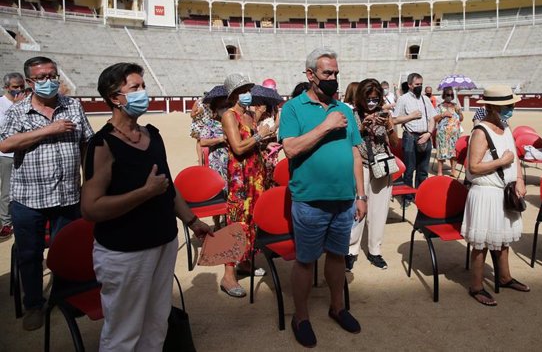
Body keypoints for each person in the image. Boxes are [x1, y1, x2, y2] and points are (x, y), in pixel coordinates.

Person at [81, 62, 212, 350]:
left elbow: (168, 187)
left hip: (163, 242)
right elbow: (90, 208)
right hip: (124, 252)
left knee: (156, 323)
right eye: (135, 88)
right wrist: (145, 192)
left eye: (144, 86)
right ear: (115, 97)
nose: (144, 93)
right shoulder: (102, 145)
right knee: (123, 333)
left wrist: (192, 221)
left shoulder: (152, 134)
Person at [279, 48, 366, 348]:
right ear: (310, 75)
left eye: (336, 74)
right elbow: (290, 149)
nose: (333, 78)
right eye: (327, 73)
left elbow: (356, 153)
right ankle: (300, 317)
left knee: (338, 256)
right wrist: (326, 126)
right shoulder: (292, 108)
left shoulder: (346, 109)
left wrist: (362, 195)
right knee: (305, 261)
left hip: (344, 200)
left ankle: (337, 307)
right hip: (309, 201)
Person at [0, 56, 95, 331]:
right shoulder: (18, 111)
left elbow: (87, 142)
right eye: (41, 77)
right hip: (29, 199)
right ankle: (33, 304)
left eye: (52, 75)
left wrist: (88, 181)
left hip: (67, 196)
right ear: (30, 82)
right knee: (29, 255)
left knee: (66, 250)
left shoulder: (73, 106)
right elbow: (6, 144)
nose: (48, 81)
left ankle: (63, 297)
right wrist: (49, 129)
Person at [461, 85, 529, 307]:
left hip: (504, 191)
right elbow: (473, 167)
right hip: (485, 194)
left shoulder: (505, 127)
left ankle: (505, 277)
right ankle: (477, 286)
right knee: (480, 245)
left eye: (510, 105)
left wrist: (519, 179)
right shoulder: (481, 131)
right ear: (491, 107)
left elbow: (515, 158)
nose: (510, 109)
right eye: (506, 106)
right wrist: (502, 162)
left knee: (503, 239)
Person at [220, 74, 275, 298]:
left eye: (249, 89)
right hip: (240, 176)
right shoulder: (229, 116)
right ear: (234, 94)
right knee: (237, 221)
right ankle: (228, 274)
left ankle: (244, 262)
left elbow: (254, 144)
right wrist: (260, 135)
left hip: (256, 174)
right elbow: (238, 147)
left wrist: (266, 138)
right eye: (243, 90)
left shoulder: (250, 116)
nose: (248, 94)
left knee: (253, 220)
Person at [347, 78, 398, 271]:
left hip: (382, 166)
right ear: (361, 97)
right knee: (357, 208)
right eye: (368, 99)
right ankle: (351, 250)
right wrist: (363, 126)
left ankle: (375, 251)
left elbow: (394, 143)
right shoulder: (352, 114)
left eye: (375, 99)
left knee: (379, 210)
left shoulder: (386, 114)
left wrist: (389, 126)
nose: (371, 103)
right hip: (359, 165)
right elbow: (348, 141)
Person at [393, 73, 435, 201]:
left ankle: (421, 195)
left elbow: (432, 118)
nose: (420, 87)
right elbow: (394, 120)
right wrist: (410, 117)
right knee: (409, 170)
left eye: (421, 84)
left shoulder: (425, 99)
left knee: (423, 171)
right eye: (417, 84)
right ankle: (408, 197)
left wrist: (429, 133)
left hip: (425, 136)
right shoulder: (403, 99)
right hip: (410, 137)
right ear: (410, 85)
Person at [0, 72, 26, 240]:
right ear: (6, 87)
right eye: (15, 87)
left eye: (21, 87)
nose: (19, 90)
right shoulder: (1, 104)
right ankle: (5, 223)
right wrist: (16, 107)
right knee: (7, 190)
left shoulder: (26, 102)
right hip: (6, 154)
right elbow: (4, 130)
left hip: (22, 151)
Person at [434, 87, 464, 177]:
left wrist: (460, 112)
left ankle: (453, 171)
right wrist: (443, 115)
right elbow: (435, 119)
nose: (449, 97)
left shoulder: (455, 106)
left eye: (451, 95)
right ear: (444, 95)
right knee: (441, 152)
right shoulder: (439, 107)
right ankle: (440, 172)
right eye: (448, 95)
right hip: (443, 134)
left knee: (454, 152)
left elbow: (461, 119)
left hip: (454, 134)